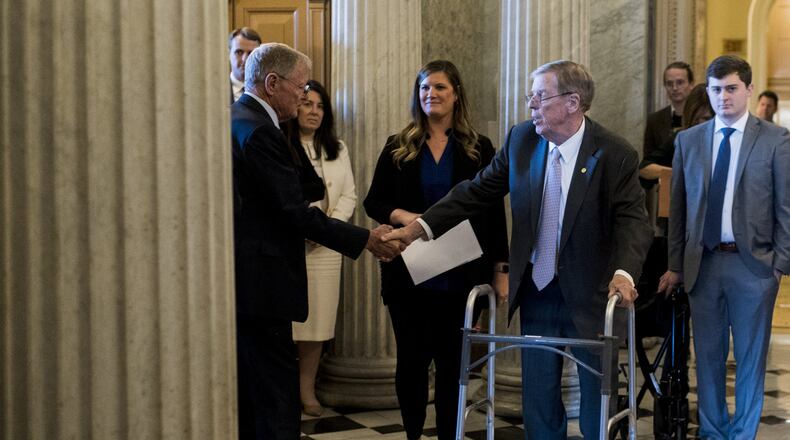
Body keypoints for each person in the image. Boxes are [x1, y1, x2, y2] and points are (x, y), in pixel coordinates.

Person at [384, 60, 653, 439]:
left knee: (598, 397)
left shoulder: (614, 153)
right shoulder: (522, 140)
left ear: (572, 102)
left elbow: (633, 221)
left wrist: (624, 273)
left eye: (540, 96)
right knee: (539, 398)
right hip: (538, 289)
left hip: (594, 292)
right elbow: (475, 192)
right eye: (531, 96)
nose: (531, 105)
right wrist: (418, 228)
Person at [231, 42, 404, 440]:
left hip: (252, 279)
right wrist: (365, 239)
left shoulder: (251, 121)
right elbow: (295, 211)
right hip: (263, 280)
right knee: (275, 392)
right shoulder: (259, 131)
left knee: (257, 391)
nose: (304, 95)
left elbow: (304, 187)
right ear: (272, 83)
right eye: (300, 85)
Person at [363, 60, 509, 440]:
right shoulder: (399, 146)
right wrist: (408, 218)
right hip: (409, 273)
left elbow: (494, 214)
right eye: (425, 88)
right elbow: (374, 202)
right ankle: (412, 434)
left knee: (451, 366)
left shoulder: (480, 148)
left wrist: (501, 269)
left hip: (461, 275)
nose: (431, 94)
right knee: (411, 362)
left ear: (456, 93)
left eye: (440, 87)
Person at [658, 55, 790, 439]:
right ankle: (714, 433)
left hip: (755, 267)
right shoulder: (689, 141)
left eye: (731, 89)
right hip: (705, 264)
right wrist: (677, 265)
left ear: (748, 89)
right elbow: (678, 212)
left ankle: (743, 434)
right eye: (716, 90)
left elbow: (785, 206)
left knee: (750, 359)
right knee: (709, 358)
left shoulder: (776, 140)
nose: (723, 98)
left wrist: (779, 265)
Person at [284, 80, 357, 417]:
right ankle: (284, 393)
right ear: (294, 106)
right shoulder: (281, 144)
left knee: (317, 325)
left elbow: (349, 196)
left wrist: (328, 229)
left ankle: (306, 390)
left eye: (319, 106)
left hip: (326, 250)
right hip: (290, 246)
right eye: (306, 103)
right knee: (288, 324)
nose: (313, 111)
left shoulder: (337, 147)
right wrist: (303, 229)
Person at [640, 83, 714, 182]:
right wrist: (678, 174)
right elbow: (644, 168)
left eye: (707, 119)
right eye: (696, 120)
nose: (701, 124)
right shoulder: (681, 138)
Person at [644, 62, 695, 158]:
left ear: (691, 84)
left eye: (680, 82)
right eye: (669, 83)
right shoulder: (654, 120)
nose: (674, 88)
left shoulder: (702, 117)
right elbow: (646, 163)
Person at [229, 27, 261, 103]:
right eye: (239, 52)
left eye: (251, 53)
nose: (245, 59)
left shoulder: (269, 92)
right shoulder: (216, 91)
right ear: (228, 54)